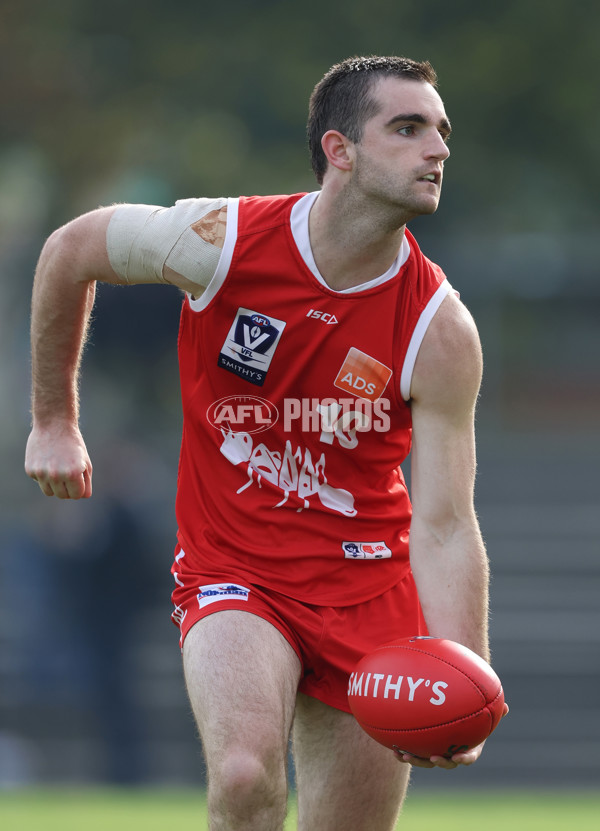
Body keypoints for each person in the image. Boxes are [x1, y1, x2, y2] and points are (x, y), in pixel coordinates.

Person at [25, 56, 504, 831]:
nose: (437, 148)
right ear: (339, 149)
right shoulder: (222, 242)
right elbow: (70, 250)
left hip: (368, 591)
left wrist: (464, 671)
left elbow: (447, 522)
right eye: (408, 128)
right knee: (246, 777)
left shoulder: (439, 328)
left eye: (442, 132)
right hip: (236, 568)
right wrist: (54, 419)